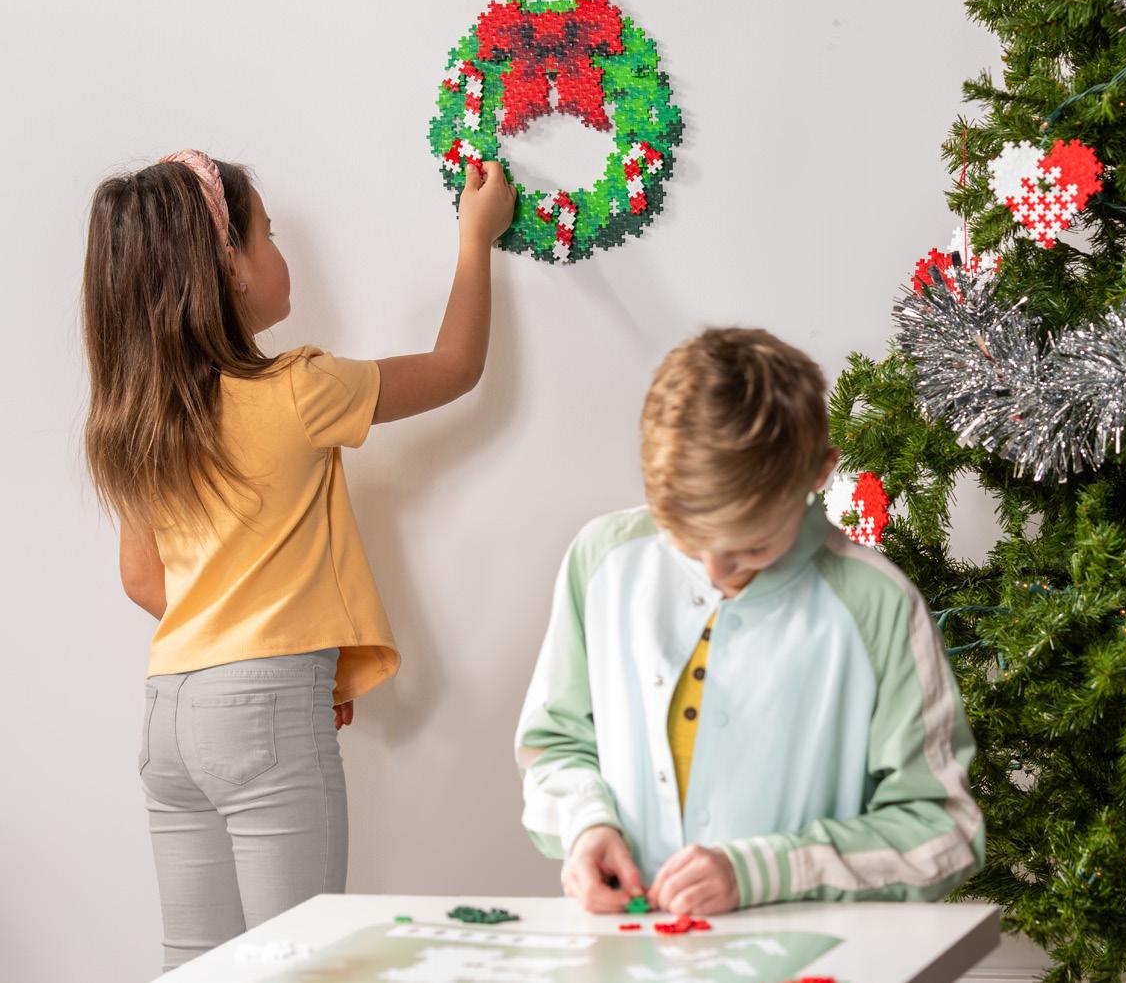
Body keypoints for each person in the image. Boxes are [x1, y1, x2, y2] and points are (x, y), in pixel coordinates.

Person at [81, 148, 514, 969]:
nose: (279, 251)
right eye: (267, 234)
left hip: (169, 717)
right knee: (302, 965)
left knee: (196, 966)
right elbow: (457, 368)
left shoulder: (139, 420)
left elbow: (142, 579)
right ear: (230, 266)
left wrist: (263, 653)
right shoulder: (300, 388)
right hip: (265, 711)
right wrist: (475, 237)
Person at [515, 326, 984, 916]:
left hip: (810, 949)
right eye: (688, 541)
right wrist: (586, 825)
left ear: (820, 472)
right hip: (625, 945)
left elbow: (945, 830)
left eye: (753, 545)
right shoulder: (603, 559)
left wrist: (769, 870)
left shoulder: (878, 604)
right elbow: (554, 745)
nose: (716, 570)